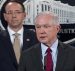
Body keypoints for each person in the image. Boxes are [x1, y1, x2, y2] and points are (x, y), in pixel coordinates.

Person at [0, 1, 38, 71]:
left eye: (17, 12)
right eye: (10, 12)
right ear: (5, 16)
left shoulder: (36, 37)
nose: (14, 16)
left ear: (24, 15)